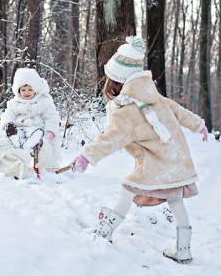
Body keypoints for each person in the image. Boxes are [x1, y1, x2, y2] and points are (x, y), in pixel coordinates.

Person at [70, 36, 208, 264]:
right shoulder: (154, 98)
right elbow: (178, 110)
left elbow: (110, 138)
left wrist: (87, 156)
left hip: (156, 161)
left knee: (128, 189)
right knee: (175, 200)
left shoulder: (126, 110)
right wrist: (198, 124)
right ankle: (184, 250)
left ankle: (105, 231)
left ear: (115, 82)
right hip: (176, 158)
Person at [0, 68, 62, 180]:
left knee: (39, 137)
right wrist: (8, 124)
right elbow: (8, 115)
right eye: (23, 90)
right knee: (2, 139)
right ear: (18, 91)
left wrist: (50, 131)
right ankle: (14, 142)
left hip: (36, 129)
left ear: (36, 89)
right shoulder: (14, 102)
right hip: (19, 130)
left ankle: (31, 143)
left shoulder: (44, 101)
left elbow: (51, 117)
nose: (27, 92)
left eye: (30, 89)